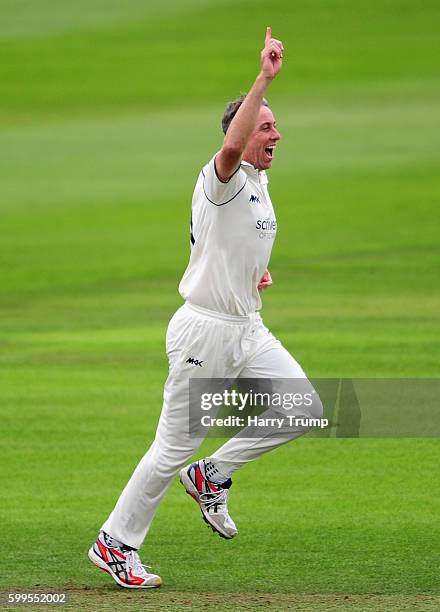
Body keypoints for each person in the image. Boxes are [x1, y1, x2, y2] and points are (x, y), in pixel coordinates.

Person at [88, 27, 323, 588]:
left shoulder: (261, 184)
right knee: (171, 447)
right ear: (241, 132)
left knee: (303, 407)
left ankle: (213, 473)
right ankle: (114, 543)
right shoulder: (223, 176)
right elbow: (229, 152)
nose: (277, 134)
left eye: (273, 124)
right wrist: (263, 78)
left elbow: (230, 244)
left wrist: (252, 275)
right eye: (266, 126)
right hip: (205, 334)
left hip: (247, 326)